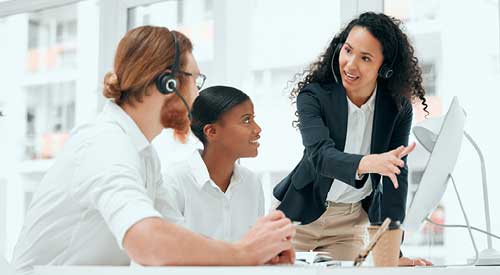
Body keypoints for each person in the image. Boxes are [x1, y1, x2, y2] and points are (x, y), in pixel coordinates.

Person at [12, 26, 295, 275]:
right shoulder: (104, 143)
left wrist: (253, 256)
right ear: (166, 83)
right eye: (195, 82)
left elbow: (178, 237)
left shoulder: (144, 156)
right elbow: (146, 240)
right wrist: (242, 254)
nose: (197, 97)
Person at [273, 12, 431, 266]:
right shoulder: (314, 96)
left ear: (385, 67)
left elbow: (394, 178)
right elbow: (320, 156)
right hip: (299, 216)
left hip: (350, 223)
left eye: (365, 58)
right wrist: (369, 163)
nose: (350, 64)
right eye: (347, 50)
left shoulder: (397, 108)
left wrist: (394, 253)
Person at [160, 86, 264, 242]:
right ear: (211, 132)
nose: (257, 129)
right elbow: (165, 249)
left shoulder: (252, 183)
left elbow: (257, 248)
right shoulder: (175, 182)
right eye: (246, 120)